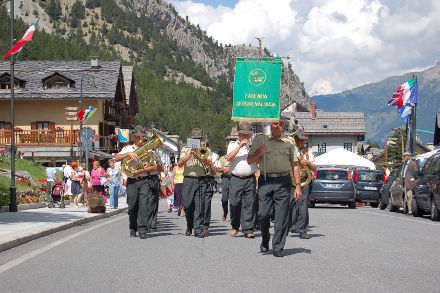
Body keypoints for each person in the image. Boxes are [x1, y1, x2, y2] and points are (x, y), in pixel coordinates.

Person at [247, 117, 302, 257]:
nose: (278, 126)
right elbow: (249, 160)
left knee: (281, 217)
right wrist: (259, 152)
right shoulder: (260, 139)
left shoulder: (289, 142)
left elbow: (295, 165)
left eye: (281, 124)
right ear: (270, 125)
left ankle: (278, 246)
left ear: (284, 126)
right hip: (266, 180)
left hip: (283, 181)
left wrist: (298, 186)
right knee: (263, 214)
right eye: (275, 123)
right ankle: (265, 239)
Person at [115, 126, 163, 239]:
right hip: (132, 181)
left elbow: (159, 168)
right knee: (132, 205)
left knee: (144, 205)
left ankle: (142, 229)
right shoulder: (128, 149)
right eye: (137, 136)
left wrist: (144, 169)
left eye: (141, 136)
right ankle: (132, 226)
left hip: (145, 180)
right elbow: (116, 158)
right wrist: (128, 154)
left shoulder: (150, 151)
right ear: (134, 137)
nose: (140, 139)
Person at [178, 128, 217, 238]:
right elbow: (180, 163)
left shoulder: (205, 149)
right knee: (187, 205)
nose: (196, 140)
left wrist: (199, 157)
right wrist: (190, 155)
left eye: (198, 139)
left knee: (199, 205)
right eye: (194, 139)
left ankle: (198, 228)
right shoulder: (185, 149)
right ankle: (189, 225)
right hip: (188, 179)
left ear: (201, 139)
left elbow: (209, 162)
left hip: (201, 179)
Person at [226, 121, 257, 238]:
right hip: (236, 178)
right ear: (239, 135)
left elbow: (257, 160)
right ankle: (235, 226)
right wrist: (240, 146)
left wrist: (250, 148)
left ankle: (248, 229)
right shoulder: (233, 145)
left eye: (247, 135)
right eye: (243, 135)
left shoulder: (253, 145)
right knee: (234, 203)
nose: (245, 137)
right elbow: (229, 158)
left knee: (249, 204)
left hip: (250, 178)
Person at [290, 129, 316, 239]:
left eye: (303, 140)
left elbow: (315, 168)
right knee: (290, 204)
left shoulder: (308, 152)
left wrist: (308, 163)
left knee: (303, 205)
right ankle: (291, 226)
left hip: (305, 181)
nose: (301, 142)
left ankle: (303, 230)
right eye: (299, 140)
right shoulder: (290, 150)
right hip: (291, 181)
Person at [217, 142, 232, 221]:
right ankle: (225, 212)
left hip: (234, 178)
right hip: (225, 178)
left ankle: (233, 216)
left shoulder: (236, 157)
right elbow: (218, 169)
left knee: (234, 199)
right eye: (227, 145)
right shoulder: (222, 158)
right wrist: (224, 169)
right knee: (224, 199)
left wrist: (229, 168)